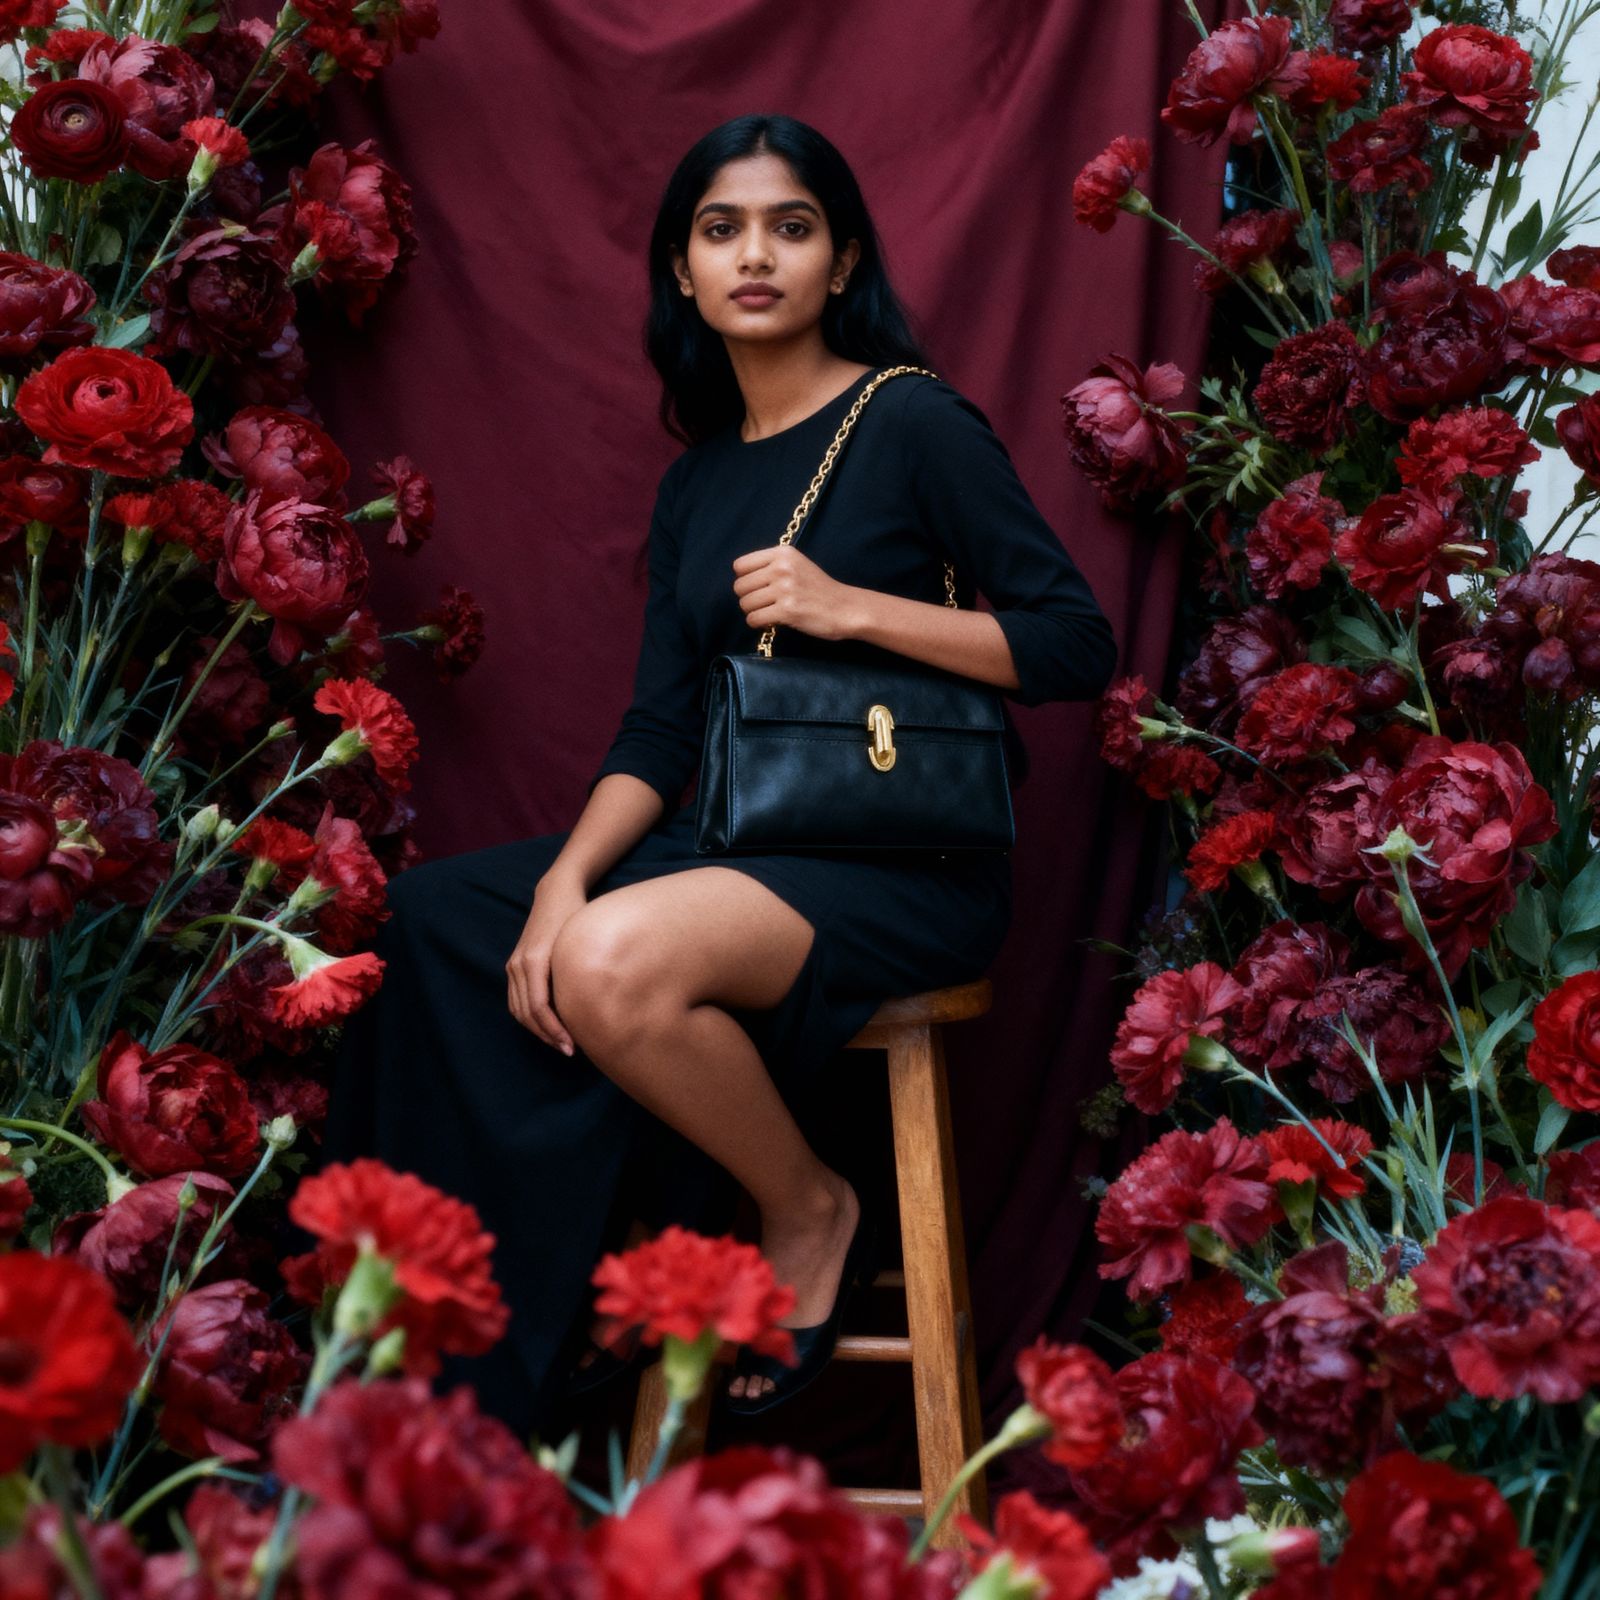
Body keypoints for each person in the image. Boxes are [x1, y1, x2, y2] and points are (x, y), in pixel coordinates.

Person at [321, 111, 1117, 1430]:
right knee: (445, 924)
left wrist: (850, 607)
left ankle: (810, 1208)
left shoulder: (909, 422)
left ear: (843, 264)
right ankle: (485, 1334)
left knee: (614, 964)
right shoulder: (697, 486)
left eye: (792, 227)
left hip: (899, 862)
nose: (758, 255)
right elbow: (659, 731)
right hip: (742, 841)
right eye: (723, 229)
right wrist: (564, 883)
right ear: (683, 272)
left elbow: (1074, 643)